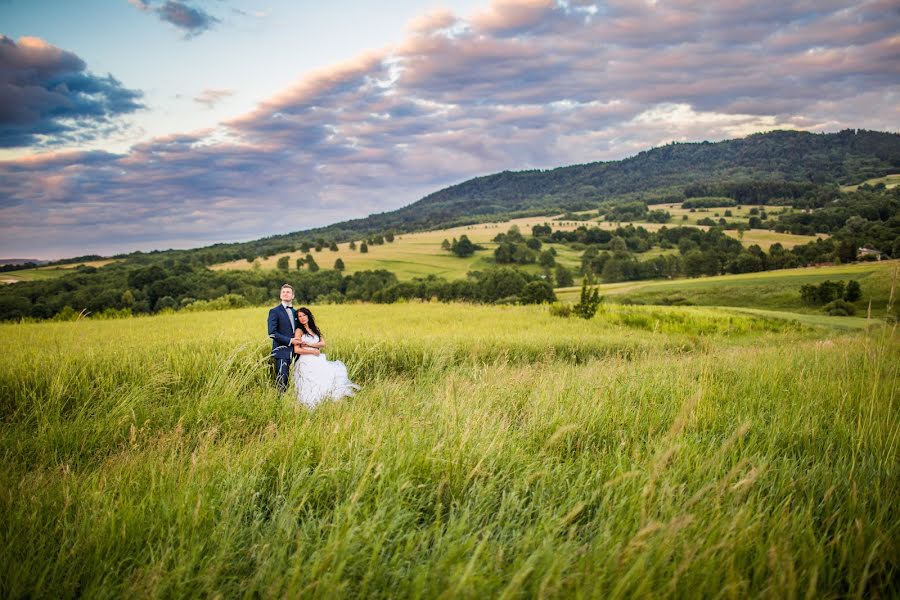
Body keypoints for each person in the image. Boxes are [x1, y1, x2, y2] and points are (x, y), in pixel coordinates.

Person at [292, 306, 359, 407]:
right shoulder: (299, 331)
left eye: (304, 315)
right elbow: (297, 349)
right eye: (299, 316)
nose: (302, 318)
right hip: (306, 360)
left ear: (308, 316)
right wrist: (313, 352)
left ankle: (325, 401)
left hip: (318, 359)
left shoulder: (315, 328)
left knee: (325, 378)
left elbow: (322, 343)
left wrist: (310, 345)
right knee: (310, 383)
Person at [267, 284, 301, 392]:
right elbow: (272, 333)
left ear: (293, 296)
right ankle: (280, 405)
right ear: (280, 295)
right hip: (282, 352)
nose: (285, 294)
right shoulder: (274, 311)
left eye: (288, 292)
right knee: (282, 382)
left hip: (297, 353)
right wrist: (290, 341)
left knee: (297, 381)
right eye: (283, 292)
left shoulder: (296, 313)